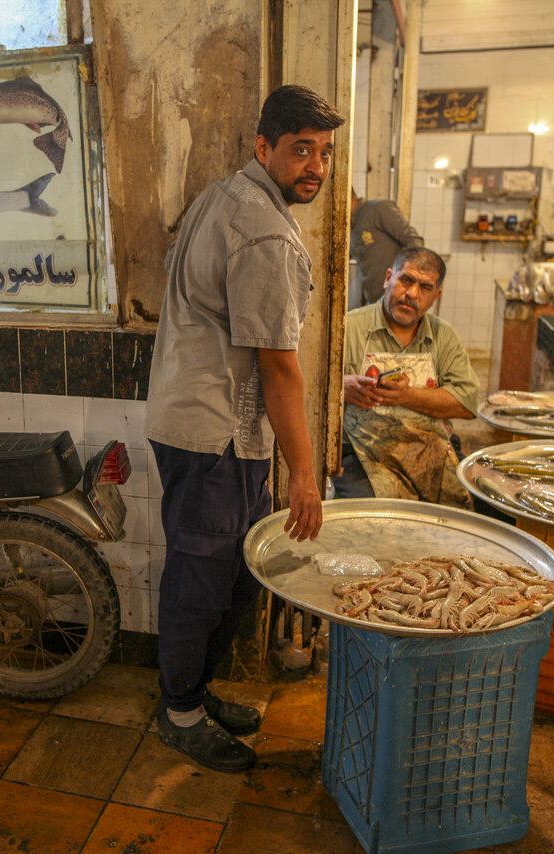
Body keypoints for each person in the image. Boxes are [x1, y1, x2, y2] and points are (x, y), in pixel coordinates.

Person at [144, 85, 344, 773]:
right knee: (203, 582)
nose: (314, 166)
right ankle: (180, 713)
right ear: (265, 148)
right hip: (214, 434)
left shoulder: (223, 197)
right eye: (300, 150)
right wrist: (305, 476)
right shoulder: (261, 228)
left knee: (235, 575)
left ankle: (191, 693)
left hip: (198, 421)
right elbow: (280, 370)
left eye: (323, 153)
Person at [333, 247, 480, 507]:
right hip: (363, 454)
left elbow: (466, 403)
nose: (412, 294)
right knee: (369, 517)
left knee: (465, 513)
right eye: (406, 280)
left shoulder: (444, 336)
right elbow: (308, 386)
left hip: (430, 450)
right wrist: (341, 387)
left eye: (425, 287)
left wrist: (407, 395)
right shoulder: (348, 327)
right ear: (388, 278)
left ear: (436, 296)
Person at [350, 191, 425, 305]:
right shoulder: (349, 225)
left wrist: (406, 285)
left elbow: (414, 241)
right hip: (374, 302)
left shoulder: (378, 209)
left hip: (396, 300)